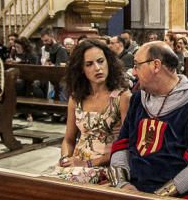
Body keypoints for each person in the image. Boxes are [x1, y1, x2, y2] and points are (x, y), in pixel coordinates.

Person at [109, 42, 188, 197]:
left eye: (137, 65)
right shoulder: (138, 98)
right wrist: (122, 184)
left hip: (176, 197)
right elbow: (122, 146)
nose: (133, 72)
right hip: (132, 190)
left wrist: (159, 196)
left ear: (156, 65)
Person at [53, 39, 131, 184]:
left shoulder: (122, 97)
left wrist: (87, 164)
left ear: (109, 62)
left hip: (106, 165)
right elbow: (69, 140)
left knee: (64, 185)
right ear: (81, 69)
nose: (97, 68)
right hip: (77, 164)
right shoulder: (76, 98)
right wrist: (65, 159)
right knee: (43, 183)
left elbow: (127, 145)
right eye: (89, 64)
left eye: (101, 61)